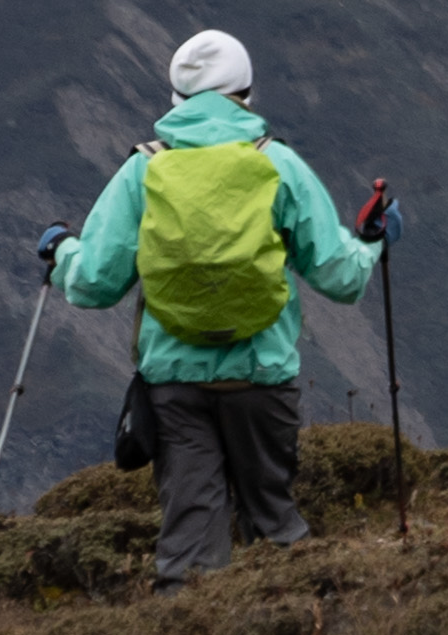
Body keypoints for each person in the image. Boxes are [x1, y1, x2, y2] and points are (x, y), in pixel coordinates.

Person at [49, 29, 383, 584]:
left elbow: (92, 285)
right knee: (274, 524)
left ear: (175, 100)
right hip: (261, 380)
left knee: (188, 540)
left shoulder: (144, 170)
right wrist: (372, 242)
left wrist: (60, 249)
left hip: (175, 387)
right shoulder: (278, 165)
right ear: (247, 95)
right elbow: (341, 278)